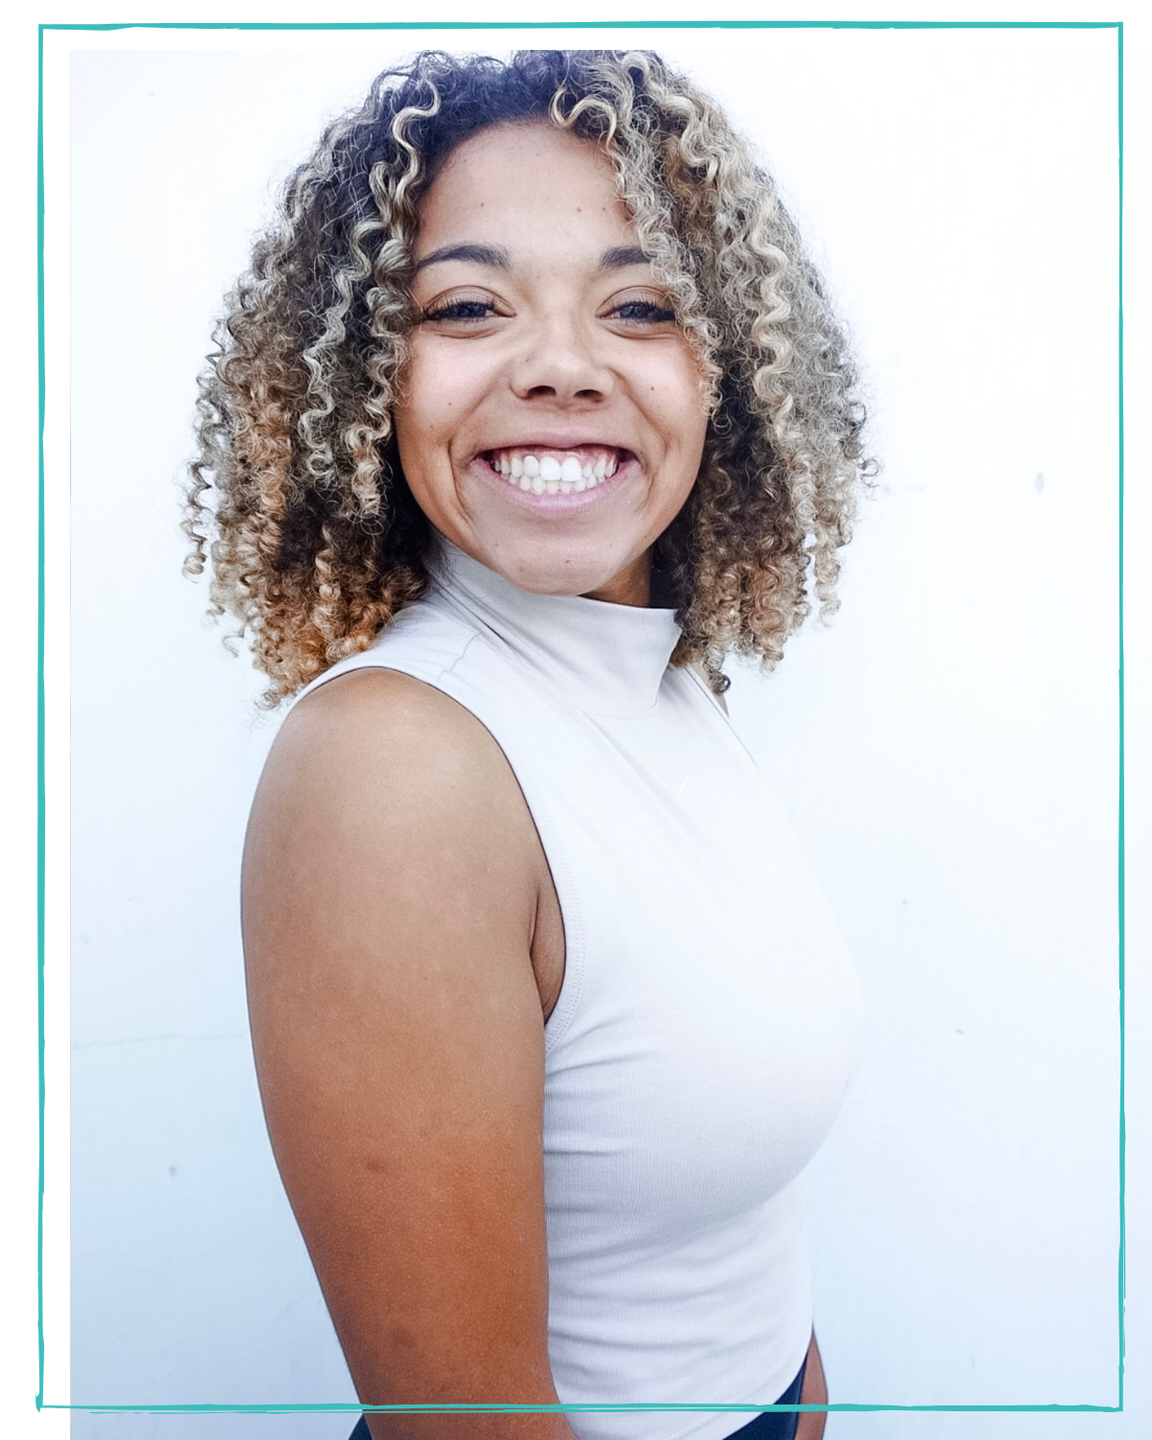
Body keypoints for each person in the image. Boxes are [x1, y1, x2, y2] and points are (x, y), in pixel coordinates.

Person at [184, 46, 872, 1440]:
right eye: (467, 306)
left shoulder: (666, 685)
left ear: (729, 373)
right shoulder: (396, 770)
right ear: (368, 380)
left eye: (640, 305)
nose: (561, 367)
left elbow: (733, 1243)